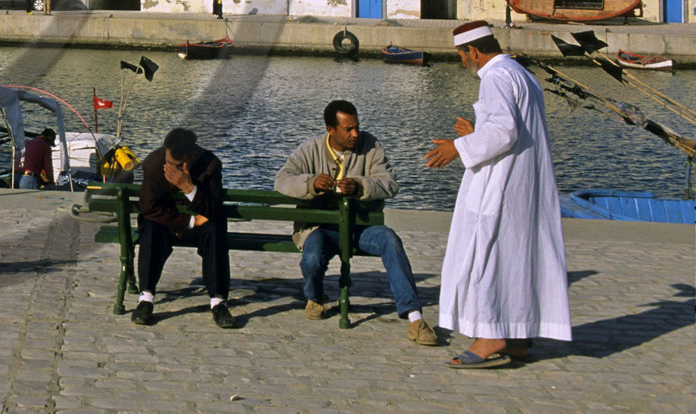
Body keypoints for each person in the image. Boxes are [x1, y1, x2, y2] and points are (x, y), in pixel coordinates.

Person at [425, 21, 571, 368]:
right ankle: (518, 336)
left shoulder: (495, 76)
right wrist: (477, 133)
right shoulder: (520, 73)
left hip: (502, 185)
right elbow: (514, 127)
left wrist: (459, 147)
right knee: (516, 258)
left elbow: (504, 131)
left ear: (473, 51)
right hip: (522, 183)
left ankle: (491, 333)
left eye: (462, 56)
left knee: (486, 255)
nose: (463, 63)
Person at [275, 99, 437, 345]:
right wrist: (311, 184)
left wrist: (361, 185)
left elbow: (389, 183)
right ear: (331, 130)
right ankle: (315, 296)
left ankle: (415, 317)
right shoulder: (310, 149)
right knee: (312, 256)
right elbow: (282, 180)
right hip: (323, 228)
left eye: (357, 127)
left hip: (362, 228)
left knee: (390, 241)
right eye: (348, 129)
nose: (355, 133)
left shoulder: (371, 146)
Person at [132, 127, 237, 329]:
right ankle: (146, 298)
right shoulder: (155, 163)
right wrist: (188, 221)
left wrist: (189, 188)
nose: (169, 167)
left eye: (176, 165)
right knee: (151, 229)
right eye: (168, 162)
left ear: (190, 157)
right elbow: (149, 207)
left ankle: (218, 302)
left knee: (215, 231)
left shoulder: (210, 164)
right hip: (168, 225)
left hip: (203, 227)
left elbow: (213, 210)